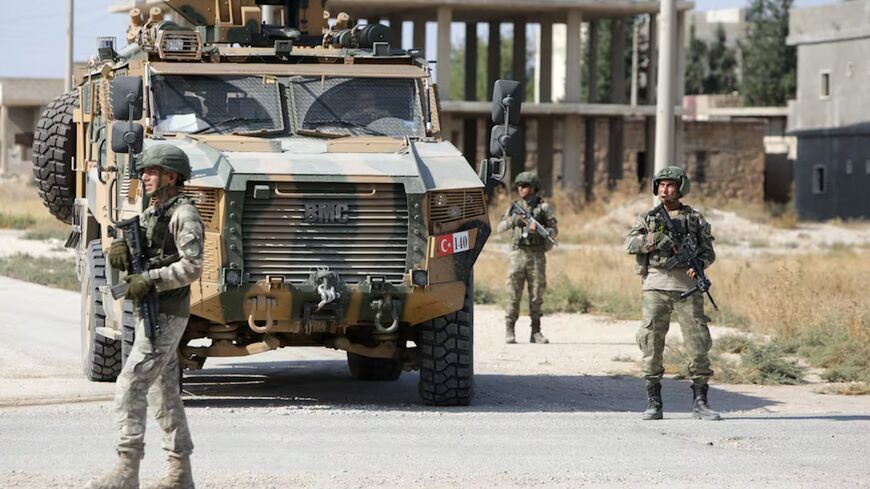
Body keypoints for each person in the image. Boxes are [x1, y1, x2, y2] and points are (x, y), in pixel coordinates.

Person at [86, 144, 204, 489]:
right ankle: (180, 475)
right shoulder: (155, 211)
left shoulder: (184, 214)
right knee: (164, 393)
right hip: (151, 312)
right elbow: (146, 255)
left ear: (171, 176)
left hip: (166, 314)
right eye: (145, 172)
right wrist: (121, 252)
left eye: (152, 172)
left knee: (130, 386)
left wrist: (148, 279)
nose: (145, 177)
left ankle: (126, 471)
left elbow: (192, 267)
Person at [624, 166, 720, 421]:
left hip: (687, 289)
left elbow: (709, 252)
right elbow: (630, 244)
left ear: (680, 188)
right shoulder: (649, 218)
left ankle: (700, 401)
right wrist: (653, 240)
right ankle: (653, 401)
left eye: (670, 185)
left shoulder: (694, 218)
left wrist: (697, 265)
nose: (664, 190)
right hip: (655, 286)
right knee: (651, 343)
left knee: (698, 344)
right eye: (661, 185)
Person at [497, 171, 558, 344]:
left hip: (537, 255)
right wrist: (513, 221)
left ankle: (536, 331)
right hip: (517, 254)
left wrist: (539, 231)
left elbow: (554, 230)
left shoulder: (543, 208)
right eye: (519, 186)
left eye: (525, 186)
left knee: (537, 295)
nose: (521, 189)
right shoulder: (514, 207)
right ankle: (510, 329)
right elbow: (499, 227)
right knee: (513, 294)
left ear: (534, 188)